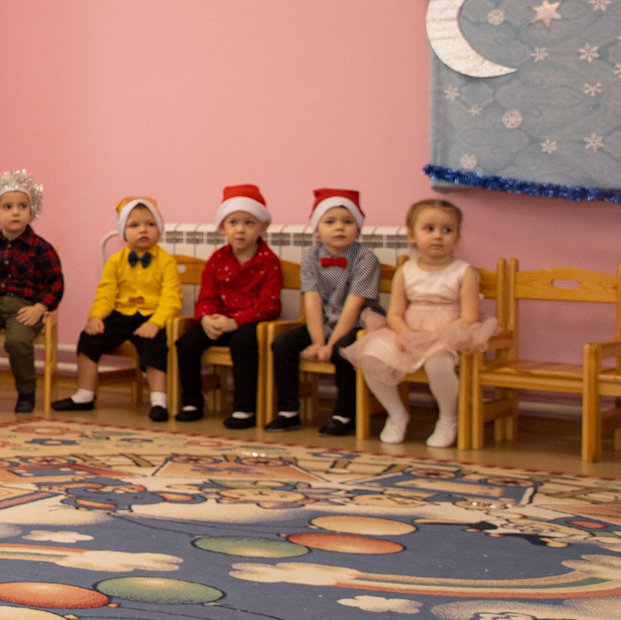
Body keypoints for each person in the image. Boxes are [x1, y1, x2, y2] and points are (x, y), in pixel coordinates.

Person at [347, 198, 495, 449]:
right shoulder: (405, 271)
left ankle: (448, 418)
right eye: (429, 229)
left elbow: (469, 316)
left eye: (447, 230)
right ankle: (396, 414)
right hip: (408, 331)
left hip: (448, 333)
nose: (438, 236)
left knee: (438, 364)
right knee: (371, 356)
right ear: (412, 235)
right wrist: (405, 335)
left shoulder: (464, 272)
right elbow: (394, 313)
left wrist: (439, 336)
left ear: (457, 236)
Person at [53, 198, 178, 418]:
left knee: (155, 344)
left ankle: (159, 401)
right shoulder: (115, 261)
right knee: (89, 338)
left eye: (150, 224)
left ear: (158, 228)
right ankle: (84, 395)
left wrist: (155, 323)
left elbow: (171, 298)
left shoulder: (166, 261)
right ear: (123, 231)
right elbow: (106, 294)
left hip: (151, 315)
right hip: (121, 314)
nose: (143, 230)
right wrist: (96, 317)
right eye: (135, 225)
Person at [271, 189, 380, 435]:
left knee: (344, 353)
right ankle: (288, 410)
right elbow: (312, 299)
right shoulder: (310, 256)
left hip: (358, 324)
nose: (339, 228)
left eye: (347, 222)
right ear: (317, 229)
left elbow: (353, 306)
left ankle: (345, 414)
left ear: (358, 228)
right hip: (323, 323)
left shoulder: (366, 258)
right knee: (283, 345)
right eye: (330, 222)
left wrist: (330, 346)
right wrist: (318, 340)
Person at [178, 185, 285, 428]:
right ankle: (192, 402)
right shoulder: (217, 259)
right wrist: (206, 318)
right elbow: (207, 296)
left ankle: (245, 408)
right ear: (222, 228)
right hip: (219, 320)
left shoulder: (269, 262)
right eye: (233, 222)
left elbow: (269, 304)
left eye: (249, 223)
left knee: (243, 344)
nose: (240, 230)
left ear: (262, 228)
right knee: (186, 343)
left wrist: (236, 322)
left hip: (250, 323)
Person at [0, 169, 62, 414]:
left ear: (31, 212)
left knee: (17, 341)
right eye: (8, 207)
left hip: (25, 308)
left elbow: (55, 283)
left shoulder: (41, 248)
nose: (16, 212)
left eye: (22, 206)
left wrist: (39, 308)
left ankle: (26, 392)